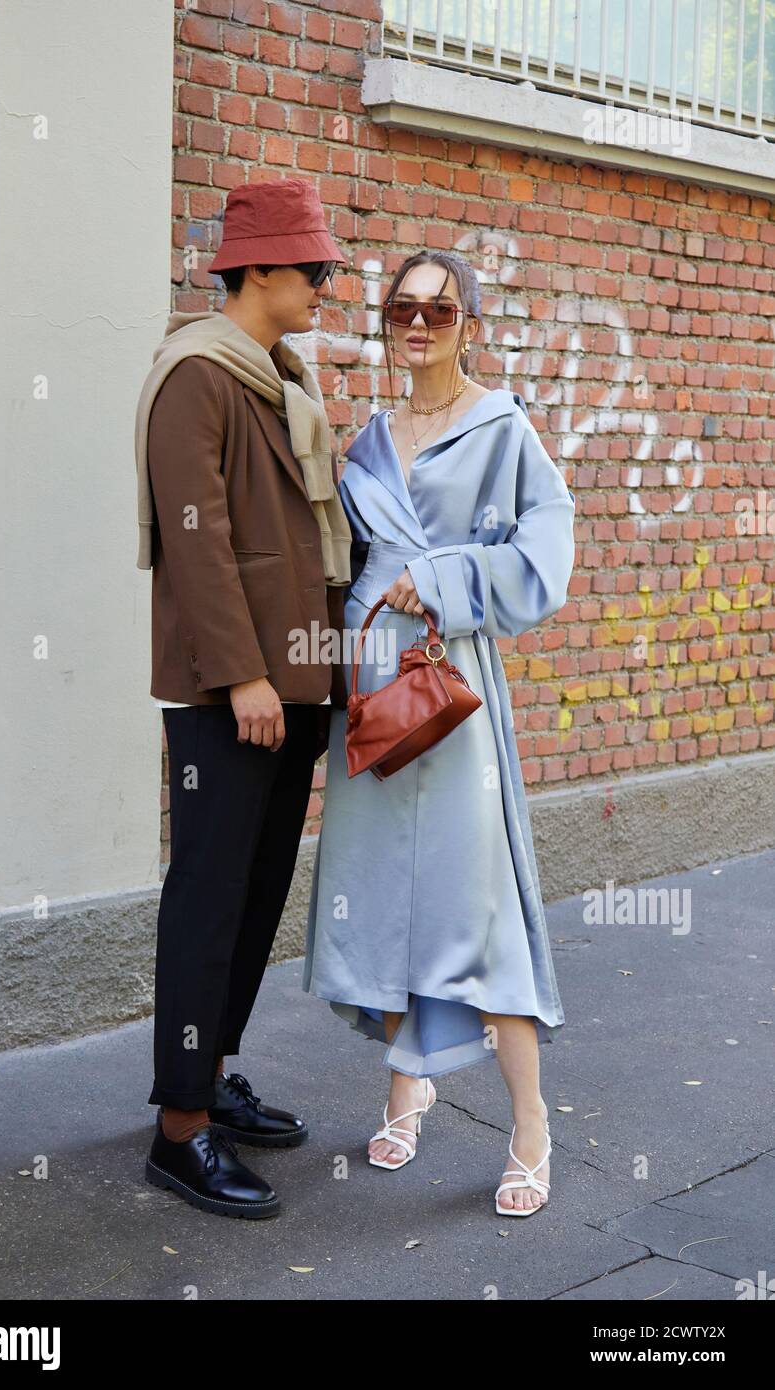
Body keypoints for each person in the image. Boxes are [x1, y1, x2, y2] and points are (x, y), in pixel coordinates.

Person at [302, 250, 576, 1215]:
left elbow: (547, 550)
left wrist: (453, 579)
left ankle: (531, 1123)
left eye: (440, 310)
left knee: (478, 908)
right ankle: (404, 1083)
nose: (419, 325)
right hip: (373, 696)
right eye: (402, 309)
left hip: (449, 689)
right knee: (377, 900)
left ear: (472, 323)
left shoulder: (503, 431)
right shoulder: (370, 439)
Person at [133, 178, 352, 1219]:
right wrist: (244, 673)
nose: (323, 286)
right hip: (237, 689)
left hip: (294, 682)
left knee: (256, 897)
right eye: (311, 269)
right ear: (256, 267)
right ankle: (179, 1132)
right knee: (208, 900)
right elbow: (196, 535)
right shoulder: (197, 375)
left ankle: (210, 1075)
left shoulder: (279, 373)